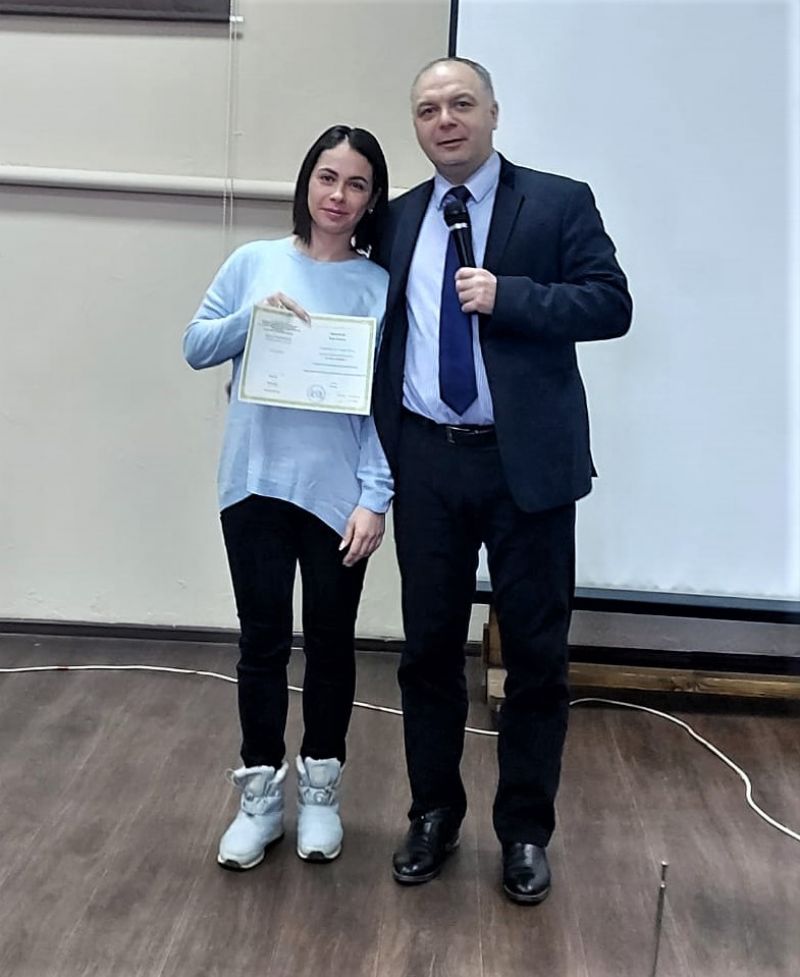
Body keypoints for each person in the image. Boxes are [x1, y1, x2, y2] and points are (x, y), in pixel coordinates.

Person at [372, 58, 632, 904]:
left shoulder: (557, 202)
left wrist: (509, 295)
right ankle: (433, 814)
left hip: (526, 466)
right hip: (428, 461)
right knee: (427, 653)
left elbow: (611, 304)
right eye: (427, 109)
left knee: (536, 658)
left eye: (461, 104)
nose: (444, 120)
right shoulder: (399, 217)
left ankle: (524, 830)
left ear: (492, 113)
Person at [183, 125, 392, 870]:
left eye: (357, 184)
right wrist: (254, 319)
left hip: (338, 497)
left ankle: (322, 795)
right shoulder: (253, 262)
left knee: (331, 645)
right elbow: (195, 345)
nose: (338, 195)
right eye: (327, 178)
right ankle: (260, 799)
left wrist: (376, 496)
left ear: (372, 200)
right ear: (307, 182)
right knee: (262, 644)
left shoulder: (378, 285)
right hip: (253, 485)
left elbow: (385, 407)